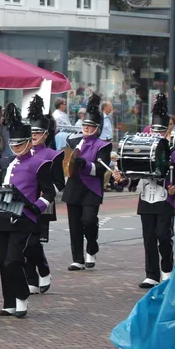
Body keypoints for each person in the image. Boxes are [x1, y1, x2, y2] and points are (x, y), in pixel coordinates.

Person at [114, 94, 175, 289]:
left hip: (165, 201)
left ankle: (167, 270)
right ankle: (151, 274)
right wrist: (121, 179)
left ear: (168, 130)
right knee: (148, 238)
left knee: (163, 235)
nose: (157, 133)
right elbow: (132, 176)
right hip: (146, 199)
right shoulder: (141, 148)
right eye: (155, 129)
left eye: (161, 130)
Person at [0, 103, 55, 318]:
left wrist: (36, 208)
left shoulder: (40, 163)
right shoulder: (6, 163)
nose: (16, 148)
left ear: (28, 142)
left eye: (20, 145)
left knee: (13, 260)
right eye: (13, 145)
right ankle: (9, 301)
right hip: (1, 217)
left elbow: (48, 193)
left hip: (25, 218)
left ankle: (22, 297)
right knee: (2, 262)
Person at [61, 93, 112, 271]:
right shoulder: (72, 140)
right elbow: (66, 161)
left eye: (91, 127)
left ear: (97, 129)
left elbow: (100, 170)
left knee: (88, 220)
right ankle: (77, 259)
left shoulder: (103, 146)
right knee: (74, 224)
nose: (87, 129)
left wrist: (86, 164)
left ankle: (91, 246)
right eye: (85, 125)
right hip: (74, 186)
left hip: (92, 188)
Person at [26, 96, 63, 294]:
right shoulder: (22, 154)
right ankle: (31, 279)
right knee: (23, 243)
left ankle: (43, 269)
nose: (34, 135)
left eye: (38, 132)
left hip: (42, 203)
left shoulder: (53, 155)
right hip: (23, 203)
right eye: (31, 132)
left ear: (46, 134)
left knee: (34, 243)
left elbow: (59, 182)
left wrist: (45, 195)